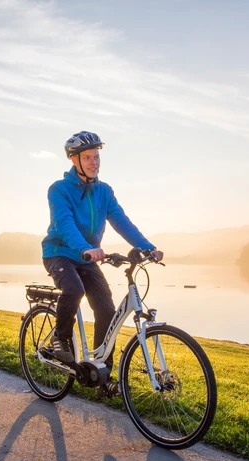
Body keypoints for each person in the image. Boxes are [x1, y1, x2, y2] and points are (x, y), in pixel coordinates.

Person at [41, 131, 163, 371]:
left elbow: (121, 222)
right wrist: (86, 248)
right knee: (74, 289)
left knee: (106, 309)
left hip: (87, 257)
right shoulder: (59, 190)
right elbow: (64, 224)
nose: (94, 162)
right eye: (87, 157)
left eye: (96, 157)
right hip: (60, 252)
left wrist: (148, 247)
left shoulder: (104, 191)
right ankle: (60, 338)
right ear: (74, 160)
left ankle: (102, 370)